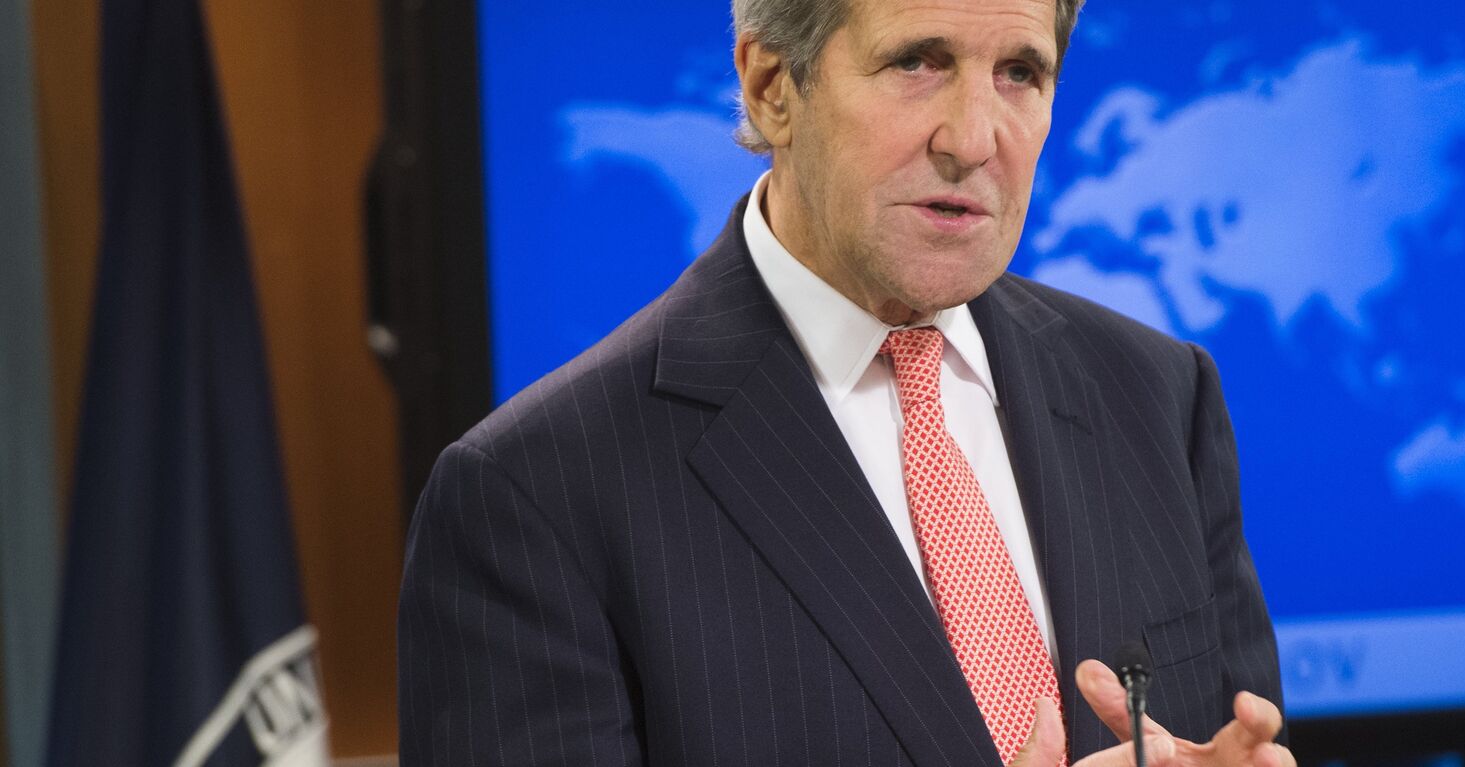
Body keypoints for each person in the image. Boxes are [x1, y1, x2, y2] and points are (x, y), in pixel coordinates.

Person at [398, 0, 1292, 764]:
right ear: (771, 86)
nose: (974, 139)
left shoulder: (1159, 395)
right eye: (918, 62)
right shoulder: (532, 496)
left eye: (1021, 72)